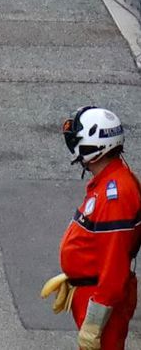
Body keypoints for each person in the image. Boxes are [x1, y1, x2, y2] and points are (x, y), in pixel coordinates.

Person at [45, 107, 139, 349]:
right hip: (90, 291)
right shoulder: (108, 182)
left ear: (94, 147)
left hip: (99, 299)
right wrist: (76, 274)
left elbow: (114, 266)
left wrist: (94, 325)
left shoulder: (115, 196)